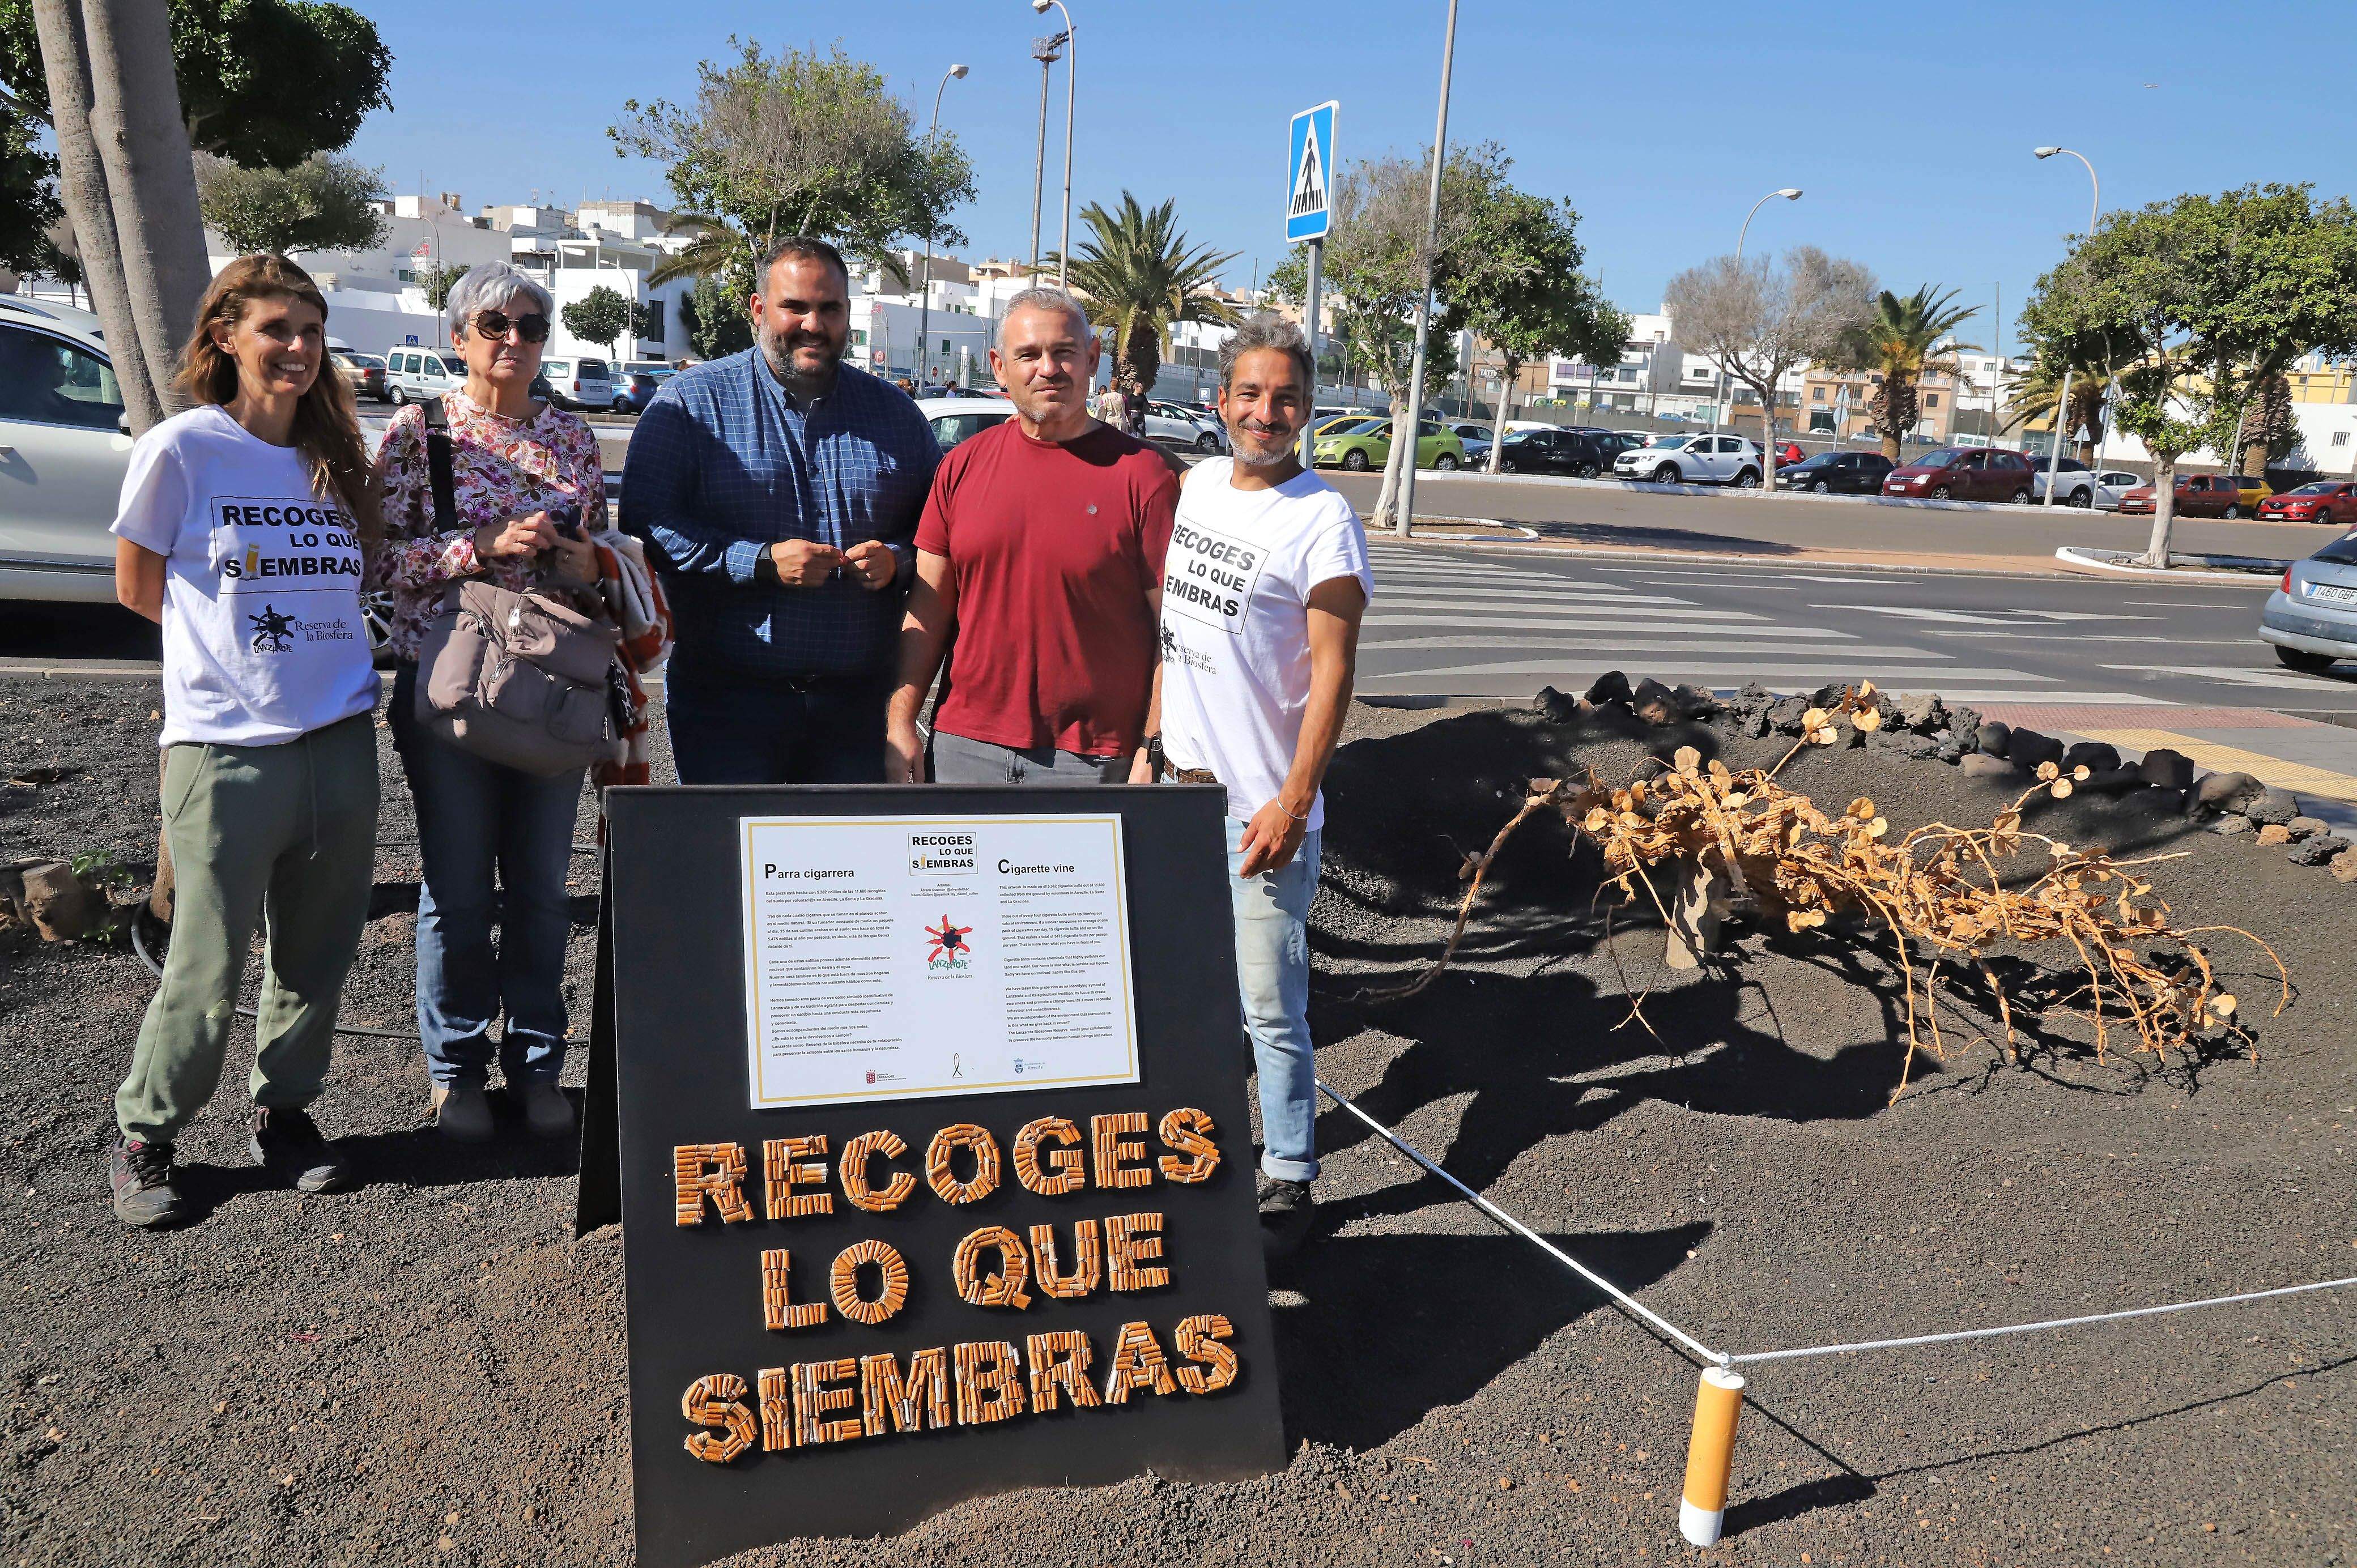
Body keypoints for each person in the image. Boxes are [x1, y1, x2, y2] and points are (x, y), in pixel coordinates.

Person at [106, 254, 382, 1228]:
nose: (299, 349)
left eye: (311, 331)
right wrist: (223, 658)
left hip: (339, 738)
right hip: (223, 749)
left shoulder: (336, 456)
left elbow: (361, 574)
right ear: (225, 336)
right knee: (206, 963)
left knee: (317, 950)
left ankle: (286, 1113)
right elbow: (138, 586)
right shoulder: (184, 449)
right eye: (277, 329)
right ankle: (147, 1135)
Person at [372, 261, 607, 1143]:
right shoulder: (420, 432)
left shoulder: (572, 438)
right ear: (459, 338)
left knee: (543, 890)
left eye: (532, 326)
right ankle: (457, 1071)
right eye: (495, 325)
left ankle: (539, 1064)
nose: (514, 340)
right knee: (460, 890)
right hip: (451, 693)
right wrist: (479, 546)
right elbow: (377, 560)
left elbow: (598, 561)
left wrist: (580, 560)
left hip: (551, 691)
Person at [1155, 314, 1369, 1258]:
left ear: (1307, 410)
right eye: (1250, 394)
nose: (1265, 412)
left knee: (1270, 1007)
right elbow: (1174, 637)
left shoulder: (1322, 519)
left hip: (1259, 814)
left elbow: (1334, 674)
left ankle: (1289, 1172)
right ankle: (1198, 1150)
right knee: (1184, 997)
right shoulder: (1197, 487)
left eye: (1285, 398)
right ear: (1222, 401)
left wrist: (1293, 800)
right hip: (1177, 797)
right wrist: (1152, 745)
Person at [622, 236, 938, 783]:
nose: (814, 324)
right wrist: (759, 560)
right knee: (733, 842)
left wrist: (898, 558)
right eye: (796, 307)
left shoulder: (896, 415)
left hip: (860, 710)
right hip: (727, 707)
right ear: (758, 307)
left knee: (853, 844)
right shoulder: (691, 404)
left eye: (830, 309)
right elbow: (646, 527)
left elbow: (940, 529)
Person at [886, 288, 1178, 786]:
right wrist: (900, 720)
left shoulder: (1144, 477)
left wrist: (1152, 748)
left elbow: (1172, 633)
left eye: (1064, 352)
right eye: (1029, 355)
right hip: (962, 749)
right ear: (1000, 368)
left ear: (1092, 359)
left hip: (1092, 760)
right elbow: (929, 607)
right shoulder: (961, 466)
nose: (1048, 369)